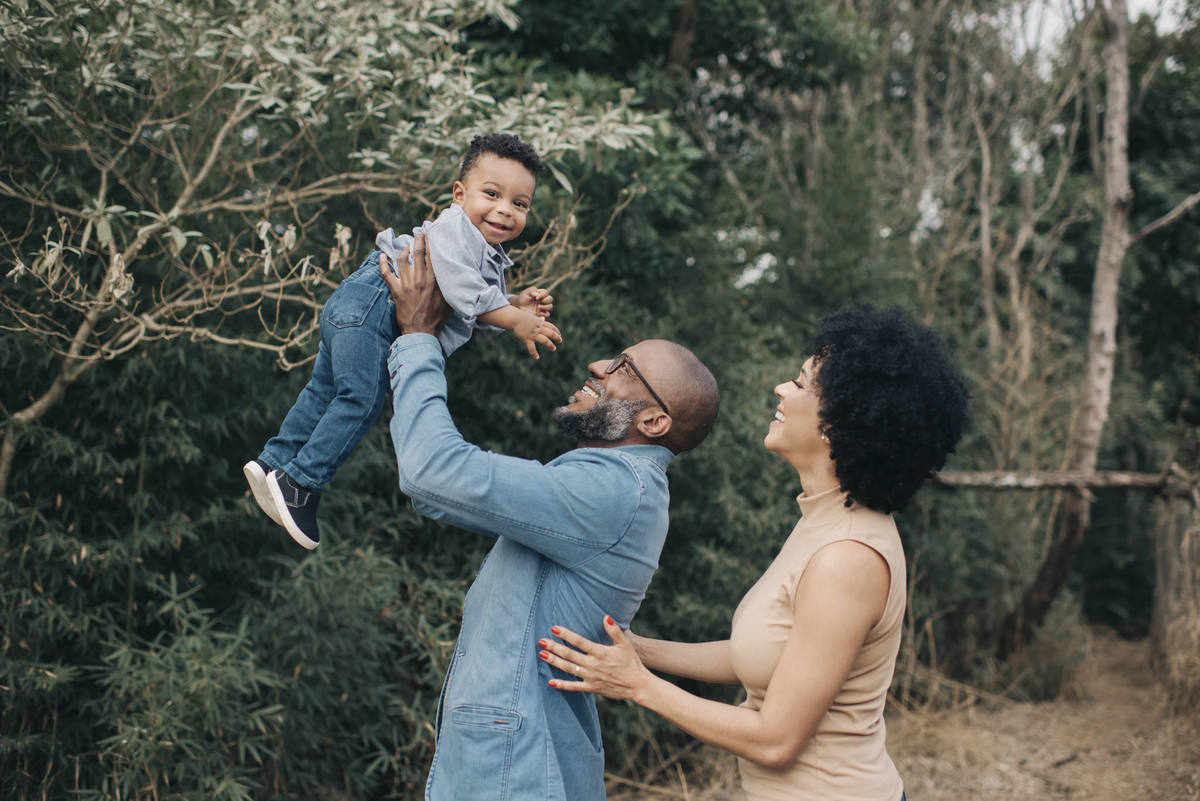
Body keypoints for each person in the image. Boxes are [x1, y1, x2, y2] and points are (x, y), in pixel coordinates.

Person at [539, 304, 970, 801]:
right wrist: (641, 651)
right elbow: (766, 656)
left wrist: (638, 685)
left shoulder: (847, 556)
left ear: (841, 421)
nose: (781, 390)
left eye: (802, 384)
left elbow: (776, 741)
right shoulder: (825, 519)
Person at [378, 234, 719, 801]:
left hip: (516, 777)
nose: (598, 364)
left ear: (655, 422)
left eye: (624, 367)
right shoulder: (613, 483)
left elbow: (432, 472)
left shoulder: (610, 489)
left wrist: (419, 339)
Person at [243, 133, 561, 549]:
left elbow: (467, 304)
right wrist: (516, 319)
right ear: (459, 194)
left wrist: (515, 303)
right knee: (362, 397)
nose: (505, 210)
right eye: (492, 194)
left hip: (356, 299)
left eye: (519, 204)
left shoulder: (480, 249)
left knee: (325, 390)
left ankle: (275, 461)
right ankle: (301, 483)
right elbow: (467, 295)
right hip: (375, 304)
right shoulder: (456, 230)